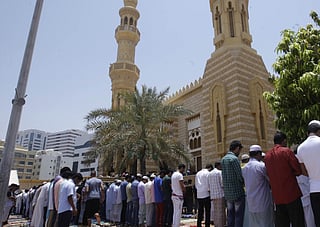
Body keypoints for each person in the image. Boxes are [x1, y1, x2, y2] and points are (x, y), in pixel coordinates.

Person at [264, 131, 305, 227]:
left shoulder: (267, 156)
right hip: (291, 194)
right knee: (298, 221)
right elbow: (298, 170)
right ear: (284, 141)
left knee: (282, 223)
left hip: (277, 197)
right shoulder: (286, 151)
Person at [242, 145, 273, 227]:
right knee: (266, 223)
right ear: (258, 154)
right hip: (263, 202)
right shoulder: (260, 166)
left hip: (251, 203)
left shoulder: (245, 168)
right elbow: (270, 179)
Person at [297, 120, 320, 227]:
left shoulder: (301, 148)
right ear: (318, 131)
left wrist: (312, 175)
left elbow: (303, 171)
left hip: (313, 190)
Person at [221, 140, 245, 227]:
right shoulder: (234, 159)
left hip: (228, 193)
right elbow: (239, 175)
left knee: (230, 215)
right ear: (237, 148)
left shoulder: (223, 159)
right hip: (237, 192)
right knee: (238, 215)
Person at [208, 161, 226, 227]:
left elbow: (208, 185)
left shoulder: (210, 174)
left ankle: (216, 224)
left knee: (215, 212)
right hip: (220, 194)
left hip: (213, 195)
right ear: (219, 166)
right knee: (221, 211)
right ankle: (221, 225)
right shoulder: (219, 173)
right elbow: (222, 184)